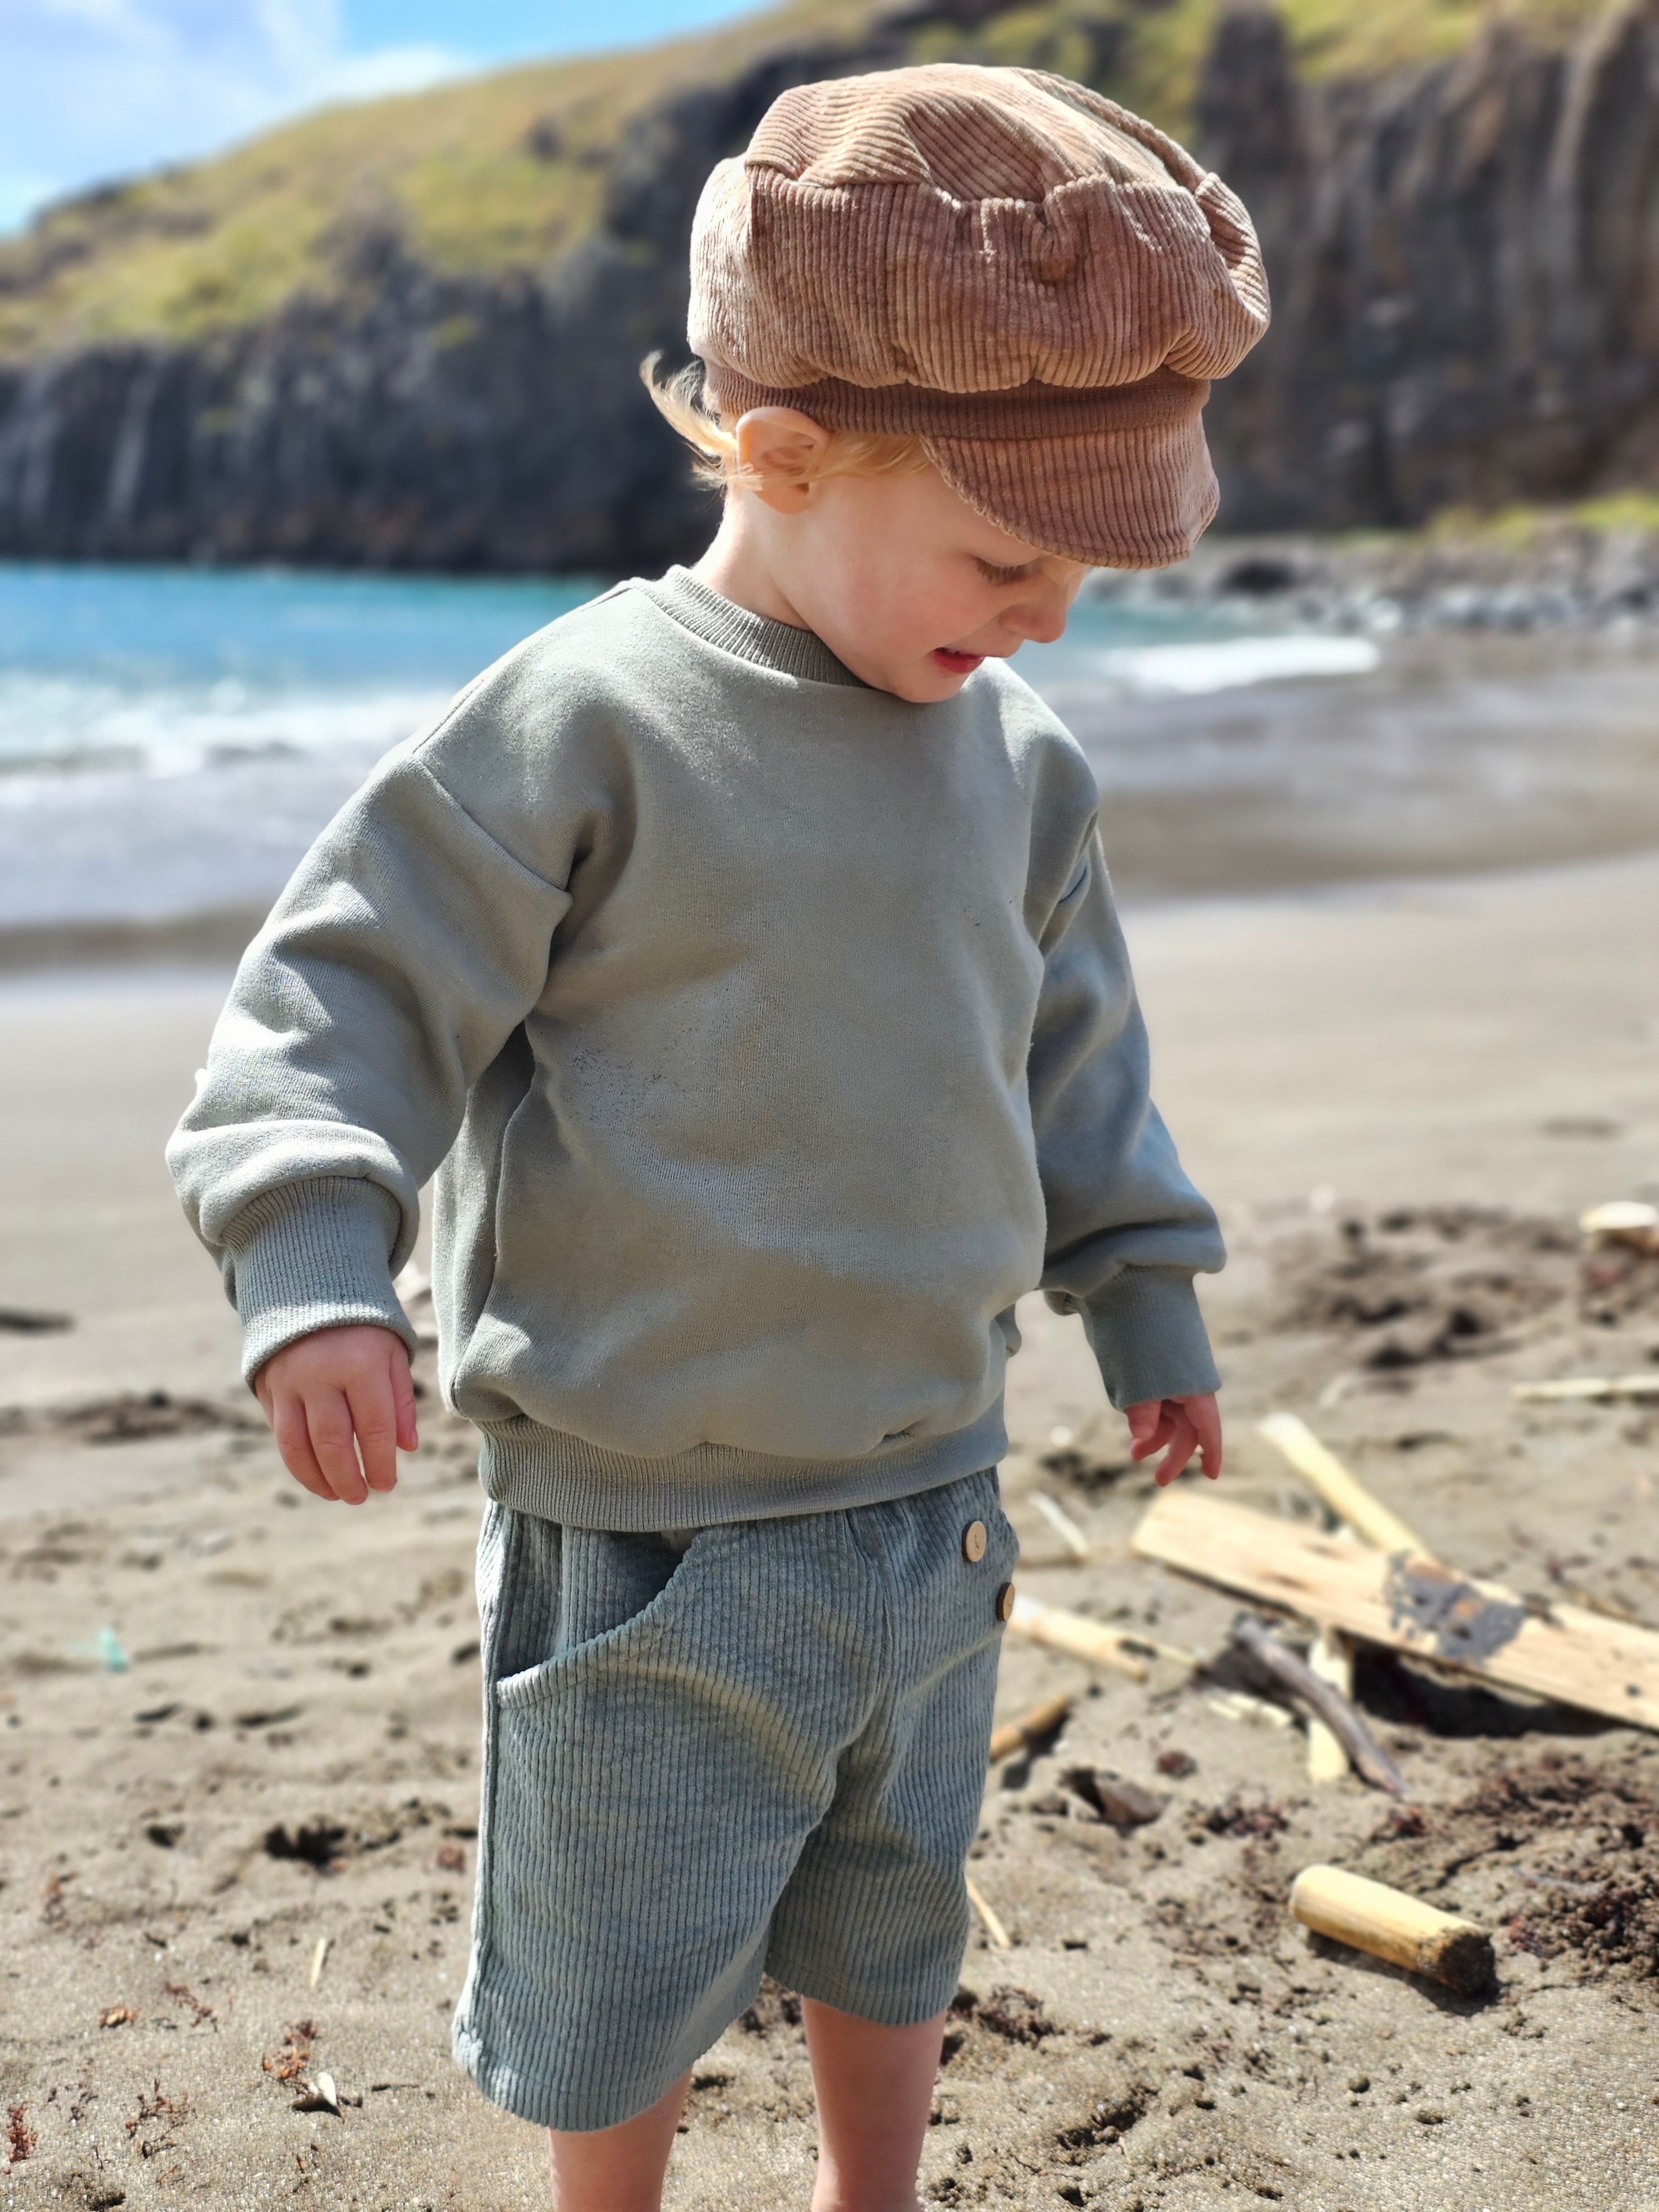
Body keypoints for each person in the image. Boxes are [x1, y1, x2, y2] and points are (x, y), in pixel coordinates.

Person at [168, 61, 1267, 2212]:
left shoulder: (1017, 760)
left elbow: (1081, 1062)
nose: (1049, 610)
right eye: (1007, 550)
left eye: (1092, 570)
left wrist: (1149, 1297)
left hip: (931, 1508)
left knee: (899, 1909)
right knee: (619, 1962)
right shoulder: (590, 722)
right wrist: (315, 1264)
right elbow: (348, 984)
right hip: (642, 1517)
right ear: (776, 454)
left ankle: (880, 2190)